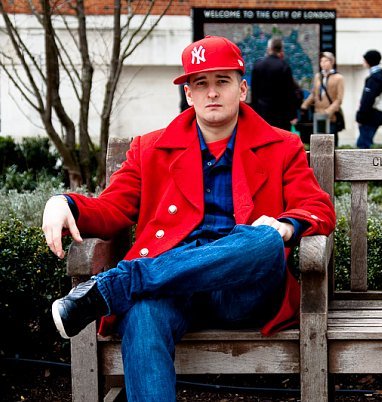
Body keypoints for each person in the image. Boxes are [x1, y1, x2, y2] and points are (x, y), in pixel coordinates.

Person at [43, 36, 336, 401]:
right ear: (188, 94)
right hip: (172, 288)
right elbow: (112, 208)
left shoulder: (281, 145)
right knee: (143, 314)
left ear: (242, 89)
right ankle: (129, 286)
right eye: (200, 83)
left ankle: (118, 285)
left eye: (222, 81)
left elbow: (317, 206)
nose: (211, 92)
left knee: (265, 238)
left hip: (243, 291)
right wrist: (64, 203)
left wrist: (288, 226)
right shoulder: (150, 148)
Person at [251, 38, 299, 131]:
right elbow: (289, 93)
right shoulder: (284, 66)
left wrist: (254, 113)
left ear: (269, 49)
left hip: (262, 113)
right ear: (281, 50)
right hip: (281, 115)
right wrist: (293, 115)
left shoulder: (258, 66)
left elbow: (254, 93)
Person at [301, 51, 345, 146]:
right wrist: (305, 105)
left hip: (331, 116)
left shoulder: (338, 77)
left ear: (332, 62)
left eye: (326, 61)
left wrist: (328, 111)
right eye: (321, 61)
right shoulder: (318, 76)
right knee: (318, 142)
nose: (323, 63)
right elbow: (314, 94)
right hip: (318, 115)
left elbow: (339, 99)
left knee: (330, 142)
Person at [355, 49, 382, 149]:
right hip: (376, 115)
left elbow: (368, 100)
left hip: (369, 117)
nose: (363, 62)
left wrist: (360, 116)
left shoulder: (374, 78)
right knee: (366, 143)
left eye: (364, 60)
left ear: (369, 61)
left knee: (362, 145)